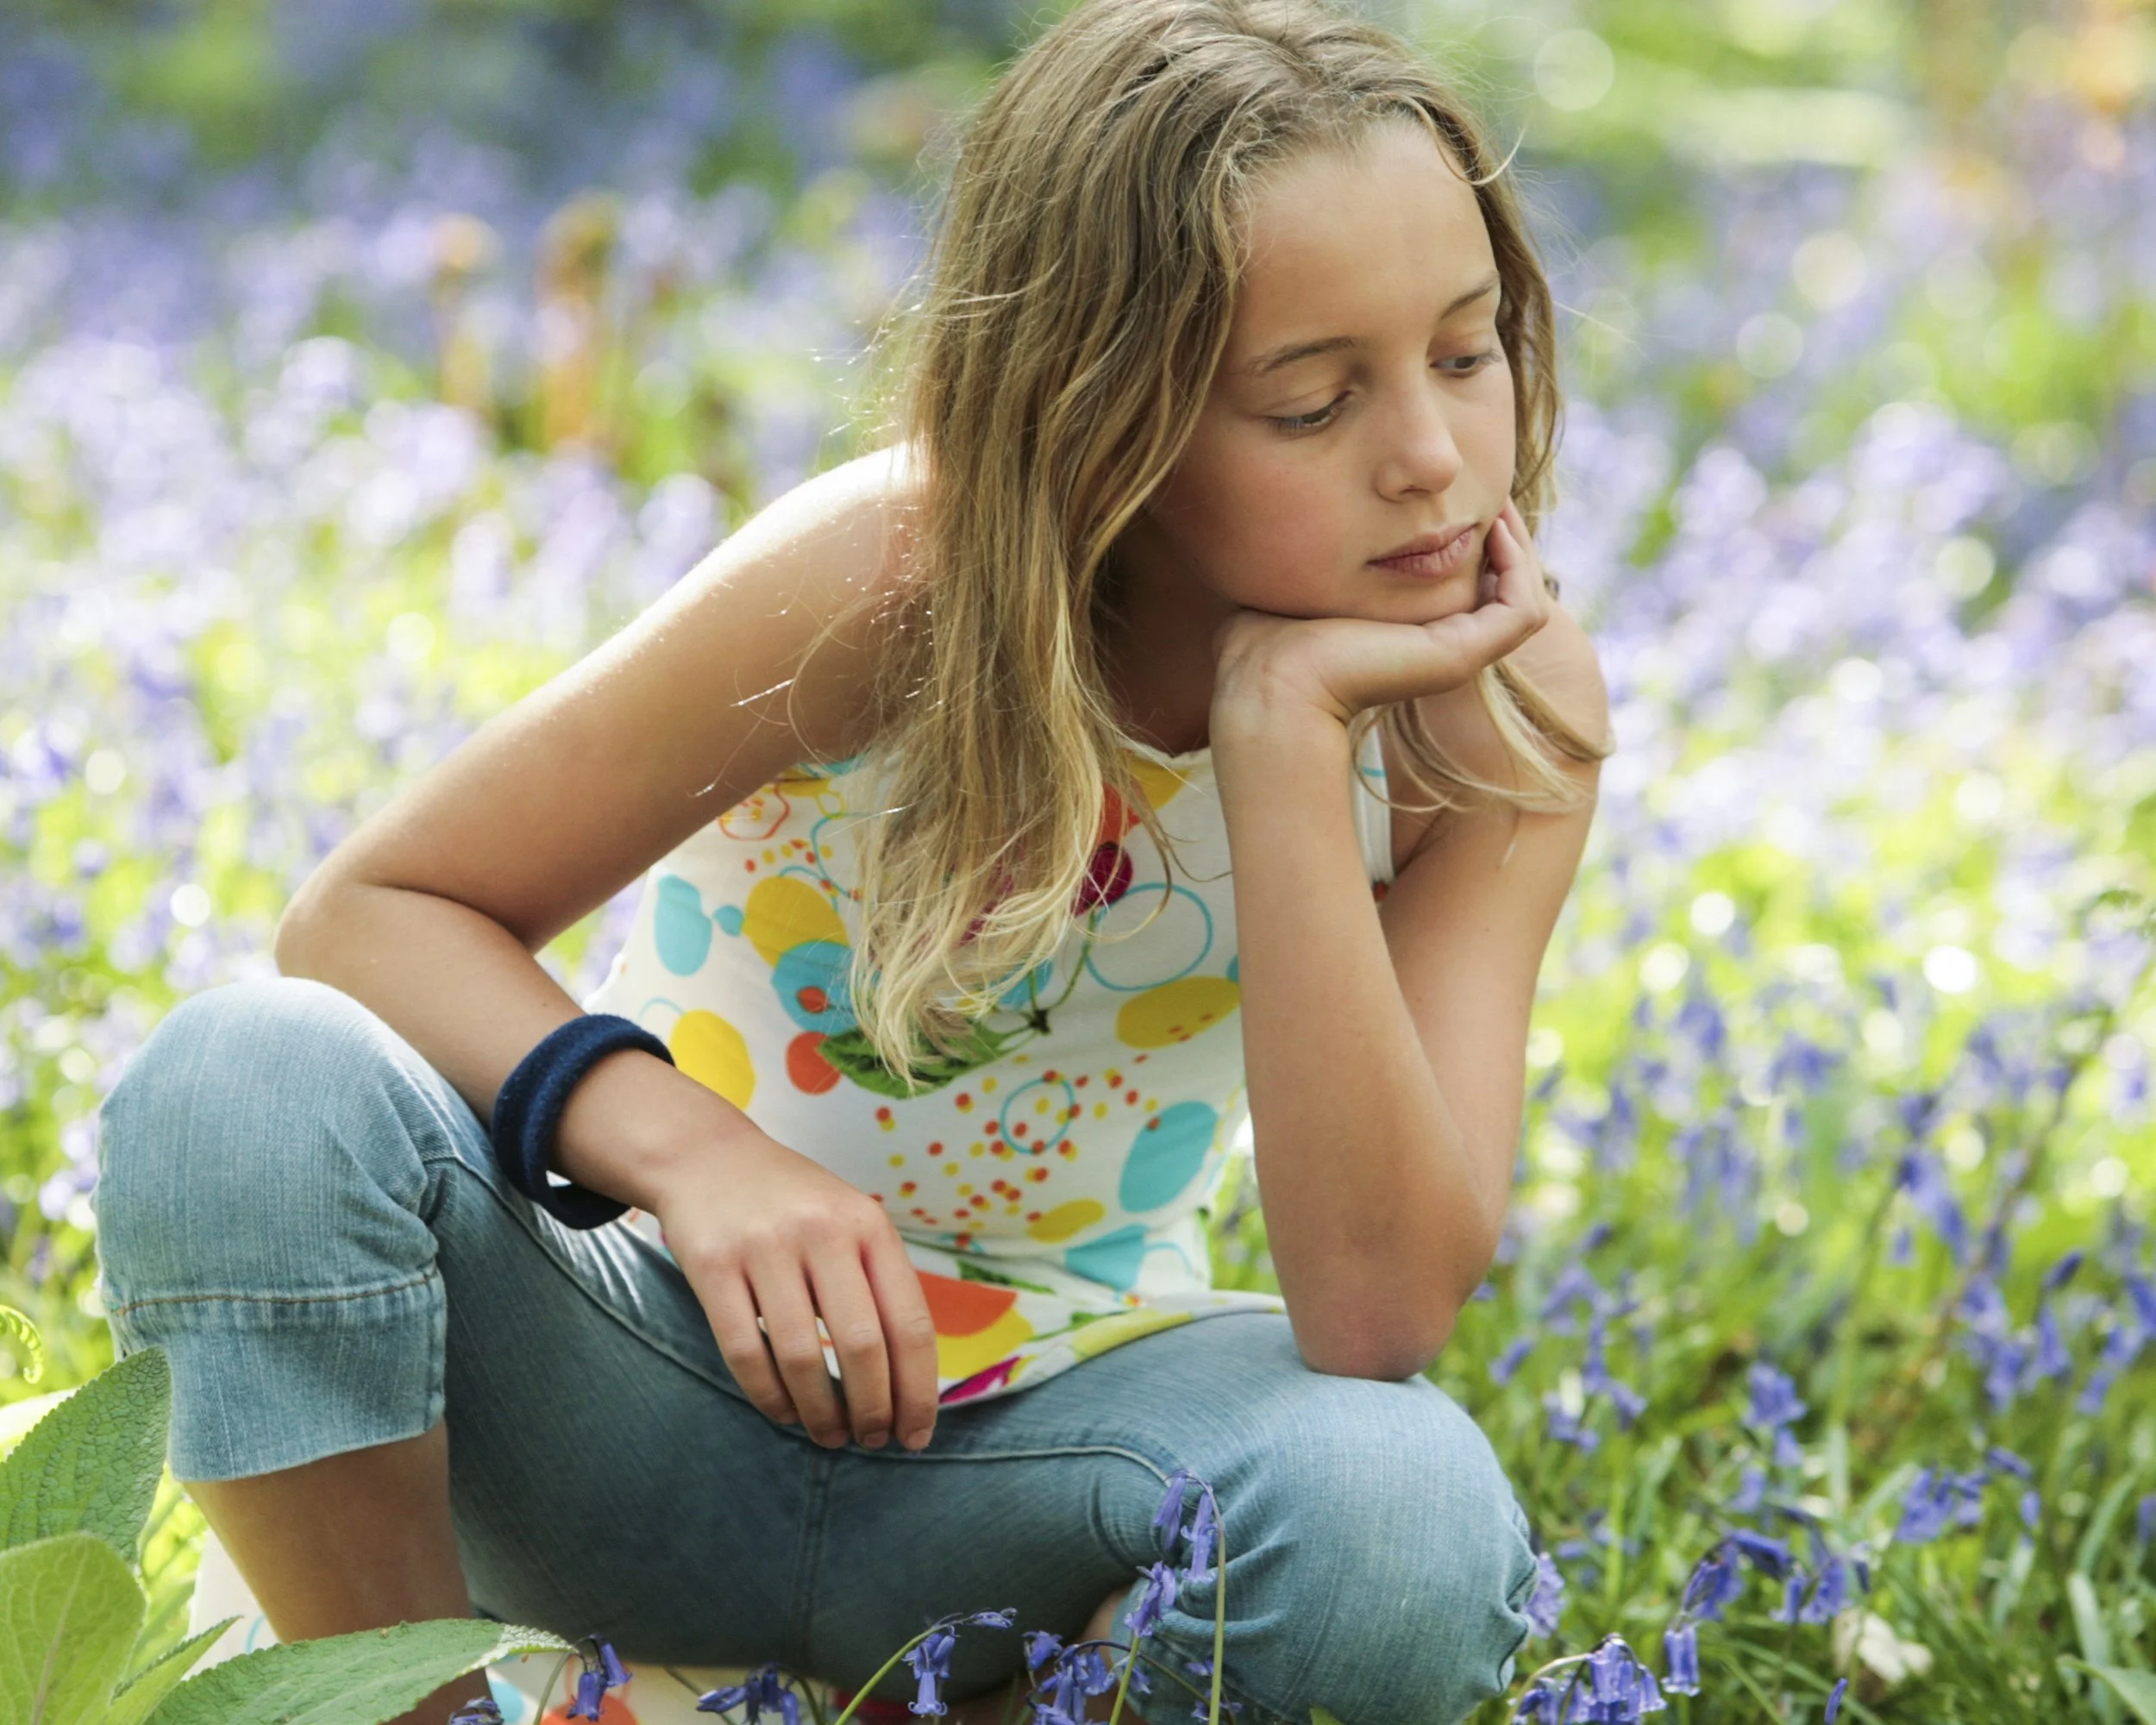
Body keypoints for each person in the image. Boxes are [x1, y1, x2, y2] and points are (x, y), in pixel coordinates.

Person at [93, 2, 1614, 1722]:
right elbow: (368, 911)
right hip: (633, 1370)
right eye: (1311, 398)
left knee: (1401, 1522)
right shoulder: (898, 576)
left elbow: (1373, 1306)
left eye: (1466, 352)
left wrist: (1279, 743)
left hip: (1052, 1451)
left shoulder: (1488, 719)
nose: (1426, 454)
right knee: (240, 1081)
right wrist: (694, 1157)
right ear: (1103, 417)